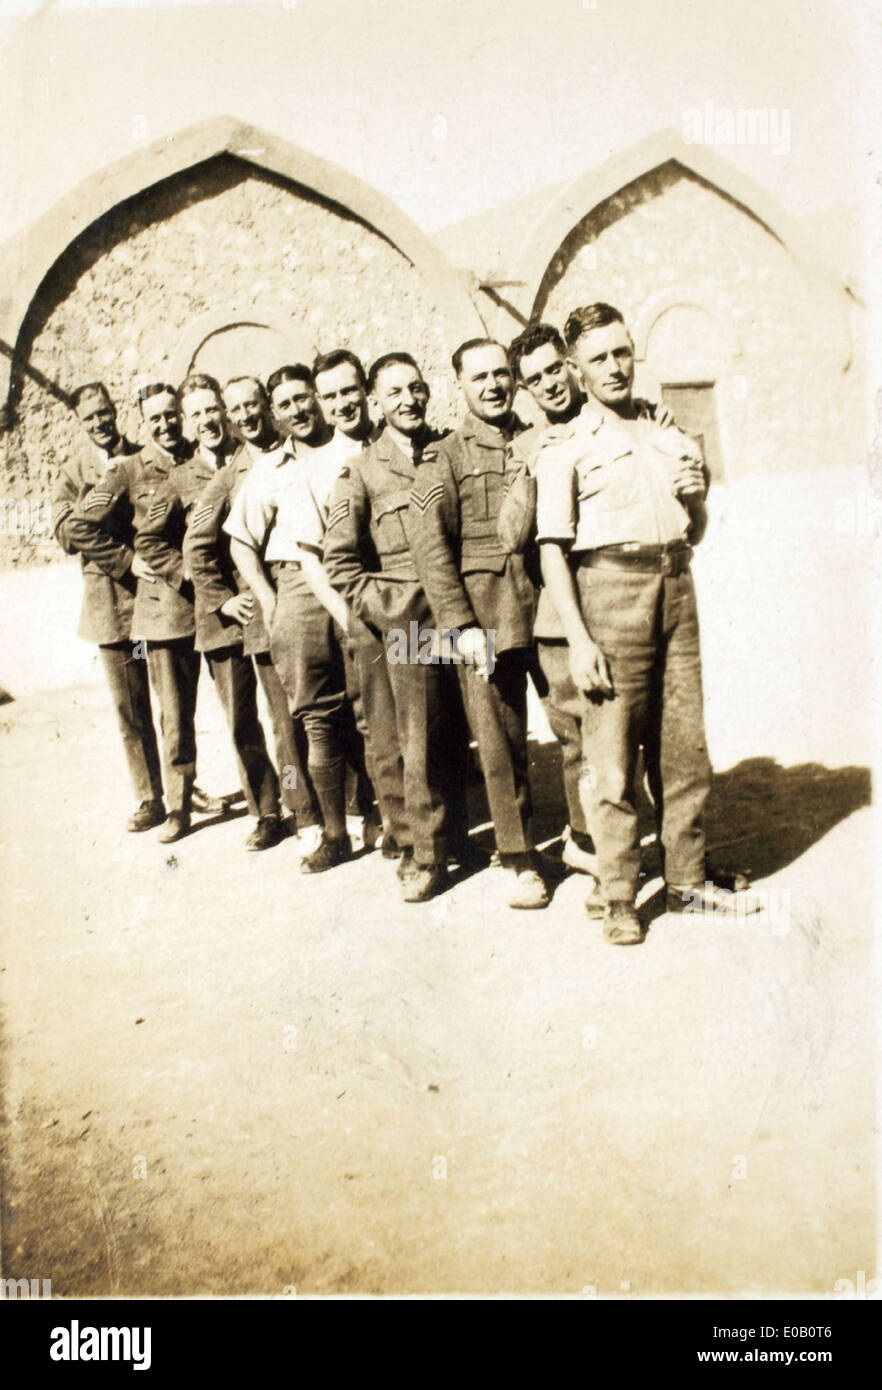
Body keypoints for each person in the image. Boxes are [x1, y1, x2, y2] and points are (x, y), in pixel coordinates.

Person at [535, 302, 756, 945]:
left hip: (675, 586)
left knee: (685, 748)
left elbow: (698, 530)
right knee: (611, 757)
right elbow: (553, 548)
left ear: (636, 354)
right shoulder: (566, 445)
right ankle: (618, 893)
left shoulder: (668, 434)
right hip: (607, 592)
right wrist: (578, 639)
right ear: (575, 369)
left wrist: (696, 497)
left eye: (622, 352)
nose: (613, 367)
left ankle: (687, 881)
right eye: (598, 357)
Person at [322, 352, 471, 903]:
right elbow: (340, 563)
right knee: (420, 739)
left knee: (458, 732)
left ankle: (457, 834)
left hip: (461, 611)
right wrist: (391, 612)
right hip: (407, 621)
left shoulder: (447, 451)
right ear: (377, 403)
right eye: (395, 393)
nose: (408, 400)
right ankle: (424, 854)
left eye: (416, 389)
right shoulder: (361, 470)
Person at [407, 339, 549, 910]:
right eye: (480, 377)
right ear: (459, 386)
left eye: (502, 374)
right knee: (499, 746)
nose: (494, 385)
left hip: (550, 608)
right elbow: (429, 545)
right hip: (485, 619)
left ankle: (590, 840)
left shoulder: (540, 437)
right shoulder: (443, 456)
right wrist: (459, 623)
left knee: (577, 727)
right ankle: (519, 860)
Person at [224, 370, 375, 872]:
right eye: (283, 404)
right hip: (297, 587)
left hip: (353, 578)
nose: (296, 410)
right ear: (274, 411)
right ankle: (333, 833)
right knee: (316, 718)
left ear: (319, 398)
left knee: (369, 703)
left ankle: (370, 814)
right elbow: (240, 543)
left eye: (302, 398)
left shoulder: (357, 449)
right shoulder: (270, 467)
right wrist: (268, 601)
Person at [136, 373, 291, 852]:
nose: (208, 420)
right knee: (242, 718)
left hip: (268, 606)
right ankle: (266, 809)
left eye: (212, 409)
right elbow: (151, 540)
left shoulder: (256, 459)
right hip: (220, 620)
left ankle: (299, 798)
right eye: (197, 413)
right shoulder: (179, 479)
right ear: (187, 422)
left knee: (287, 712)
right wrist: (205, 587)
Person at [69, 382, 224, 842]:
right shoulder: (128, 469)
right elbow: (78, 522)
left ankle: (252, 799)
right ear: (143, 421)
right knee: (164, 711)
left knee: (227, 709)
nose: (166, 424)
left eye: (172, 414)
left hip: (210, 602)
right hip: (159, 609)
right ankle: (168, 803)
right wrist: (125, 559)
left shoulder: (201, 460)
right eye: (155, 418)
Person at [52, 382, 164, 831]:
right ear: (80, 423)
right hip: (112, 609)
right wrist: (103, 491)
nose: (99, 423)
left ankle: (180, 785)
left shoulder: (141, 455)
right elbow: (66, 533)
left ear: (114, 411)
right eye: (89, 418)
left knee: (172, 698)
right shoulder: (72, 470)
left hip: (154, 600)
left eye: (104, 413)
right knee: (131, 706)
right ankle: (149, 796)